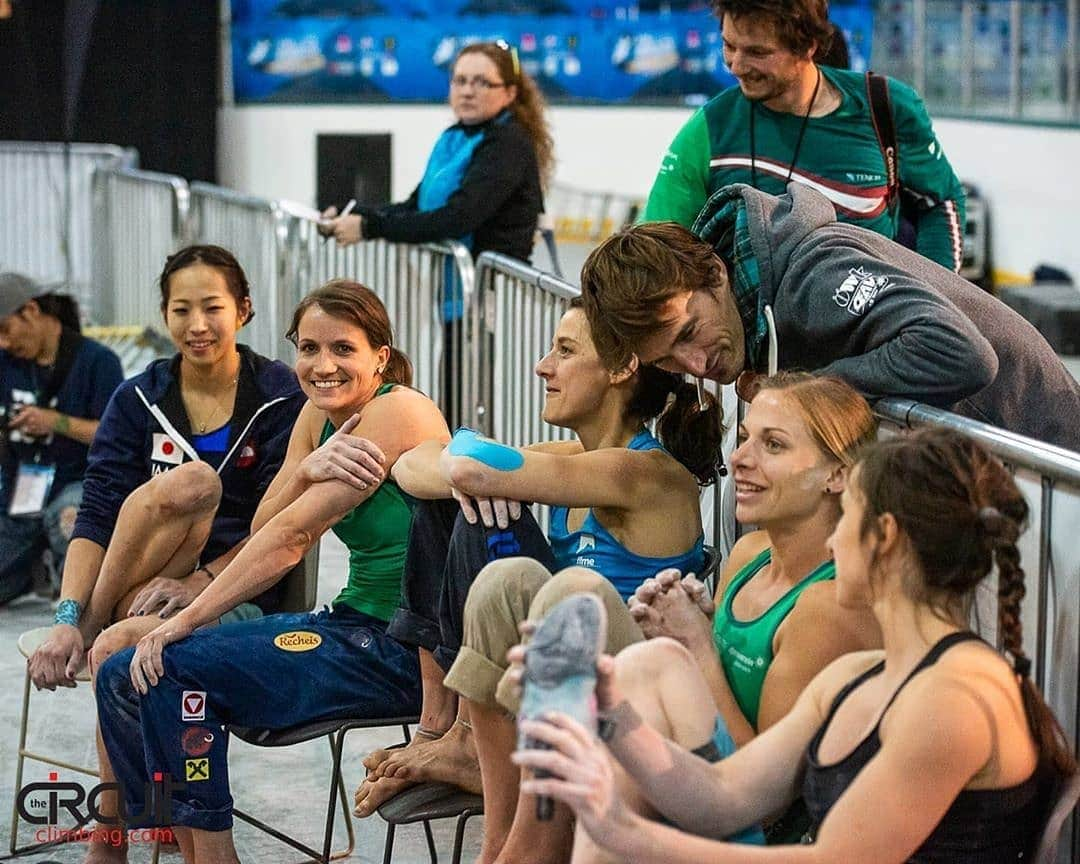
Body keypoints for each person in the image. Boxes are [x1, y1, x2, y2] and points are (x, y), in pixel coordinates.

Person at [514, 428, 1074, 863]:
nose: (832, 537)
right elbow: (724, 793)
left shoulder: (954, 701)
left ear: (885, 537)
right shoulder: (860, 673)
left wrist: (624, 830)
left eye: (847, 515)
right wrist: (606, 714)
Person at [94, 280, 449, 864]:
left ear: (380, 357)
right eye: (308, 348)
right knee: (119, 670)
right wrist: (307, 468)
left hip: (401, 650)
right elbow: (265, 523)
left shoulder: (398, 410)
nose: (322, 365)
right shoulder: (317, 414)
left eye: (343, 349)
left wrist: (186, 619)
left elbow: (291, 539)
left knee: (170, 668)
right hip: (348, 626)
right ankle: (150, 843)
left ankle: (210, 857)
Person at [354, 297, 722, 859]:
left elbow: (468, 463)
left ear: (622, 369)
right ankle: (448, 729)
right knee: (456, 505)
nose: (543, 365)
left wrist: (472, 477)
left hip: (625, 698)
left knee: (482, 517)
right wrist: (467, 479)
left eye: (565, 351)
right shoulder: (571, 459)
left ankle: (472, 749)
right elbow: (416, 461)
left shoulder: (646, 473)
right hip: (551, 680)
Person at [25, 246, 304, 862]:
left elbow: (284, 526)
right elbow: (97, 515)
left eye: (213, 308)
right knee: (180, 492)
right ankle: (90, 626)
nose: (197, 324)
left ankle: (112, 836)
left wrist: (201, 584)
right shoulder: (138, 397)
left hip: (241, 590)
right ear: (164, 315)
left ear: (245, 310)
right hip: (143, 585)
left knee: (193, 490)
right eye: (182, 309)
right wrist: (66, 615)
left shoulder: (282, 397)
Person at [580, 185, 1080, 453]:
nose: (693, 361)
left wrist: (806, 393)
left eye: (688, 333)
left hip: (1050, 456)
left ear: (715, 272)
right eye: (666, 358)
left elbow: (960, 352)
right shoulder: (753, 306)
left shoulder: (813, 274)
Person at [625, 372, 881, 844]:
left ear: (837, 474)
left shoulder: (827, 605)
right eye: (743, 440)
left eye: (774, 445)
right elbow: (715, 694)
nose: (739, 459)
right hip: (696, 788)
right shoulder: (749, 554)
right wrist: (677, 625)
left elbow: (763, 797)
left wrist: (695, 646)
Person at [641, 0, 966, 272]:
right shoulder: (710, 127)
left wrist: (934, 299)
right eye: (729, 45)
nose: (736, 66)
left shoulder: (885, 108)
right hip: (757, 340)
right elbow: (653, 249)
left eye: (757, 52)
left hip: (875, 332)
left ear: (808, 46)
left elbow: (941, 203)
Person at [320, 40, 551, 265]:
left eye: (482, 83)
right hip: (458, 284)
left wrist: (367, 228)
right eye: (460, 81)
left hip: (495, 290)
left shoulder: (508, 144)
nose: (467, 91)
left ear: (510, 93)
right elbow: (415, 207)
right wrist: (351, 211)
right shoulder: (453, 137)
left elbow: (456, 218)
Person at [0, 273, 123, 605]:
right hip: (18, 489)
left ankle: (74, 600)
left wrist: (57, 423)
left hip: (76, 482)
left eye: (5, 330)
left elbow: (115, 436)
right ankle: (31, 571)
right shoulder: (6, 364)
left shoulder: (98, 362)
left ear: (30, 311)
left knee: (72, 517)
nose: (4, 343)